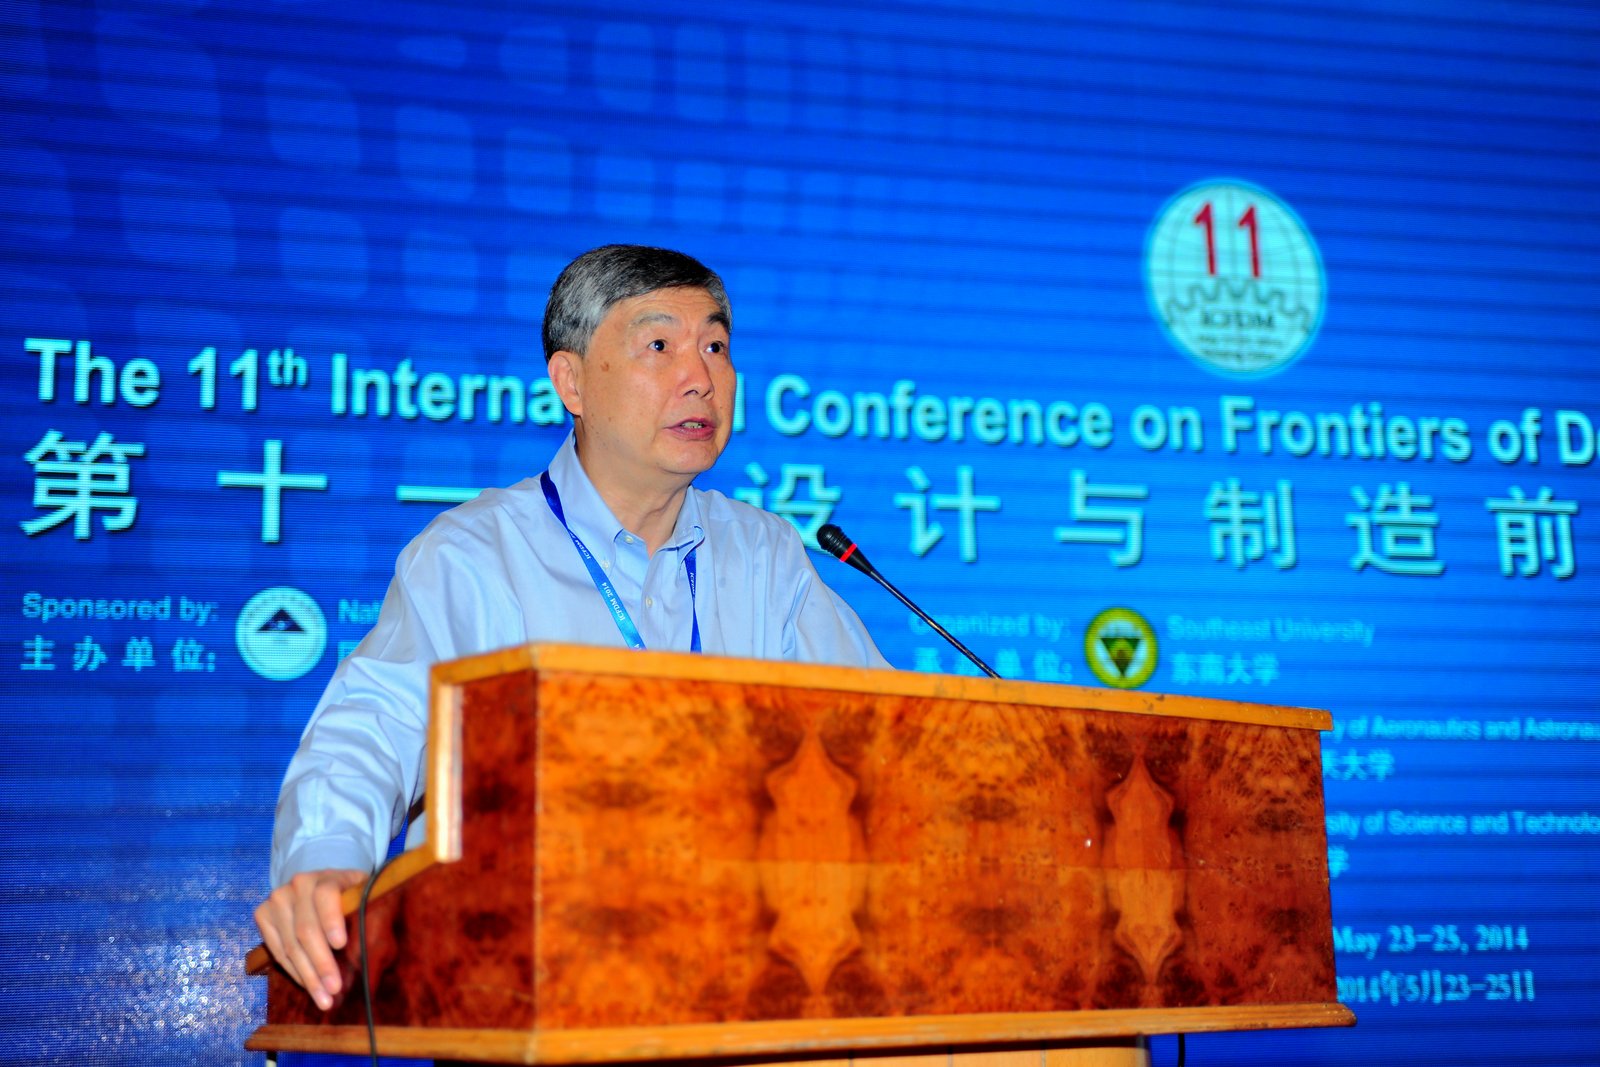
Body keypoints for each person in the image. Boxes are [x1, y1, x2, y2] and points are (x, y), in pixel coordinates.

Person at [253, 244, 888, 1010]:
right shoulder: (477, 554)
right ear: (572, 381)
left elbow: (882, 738)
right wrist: (327, 862)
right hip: (527, 990)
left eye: (716, 346)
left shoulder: (765, 555)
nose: (701, 375)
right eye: (661, 344)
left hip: (745, 996)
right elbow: (370, 729)